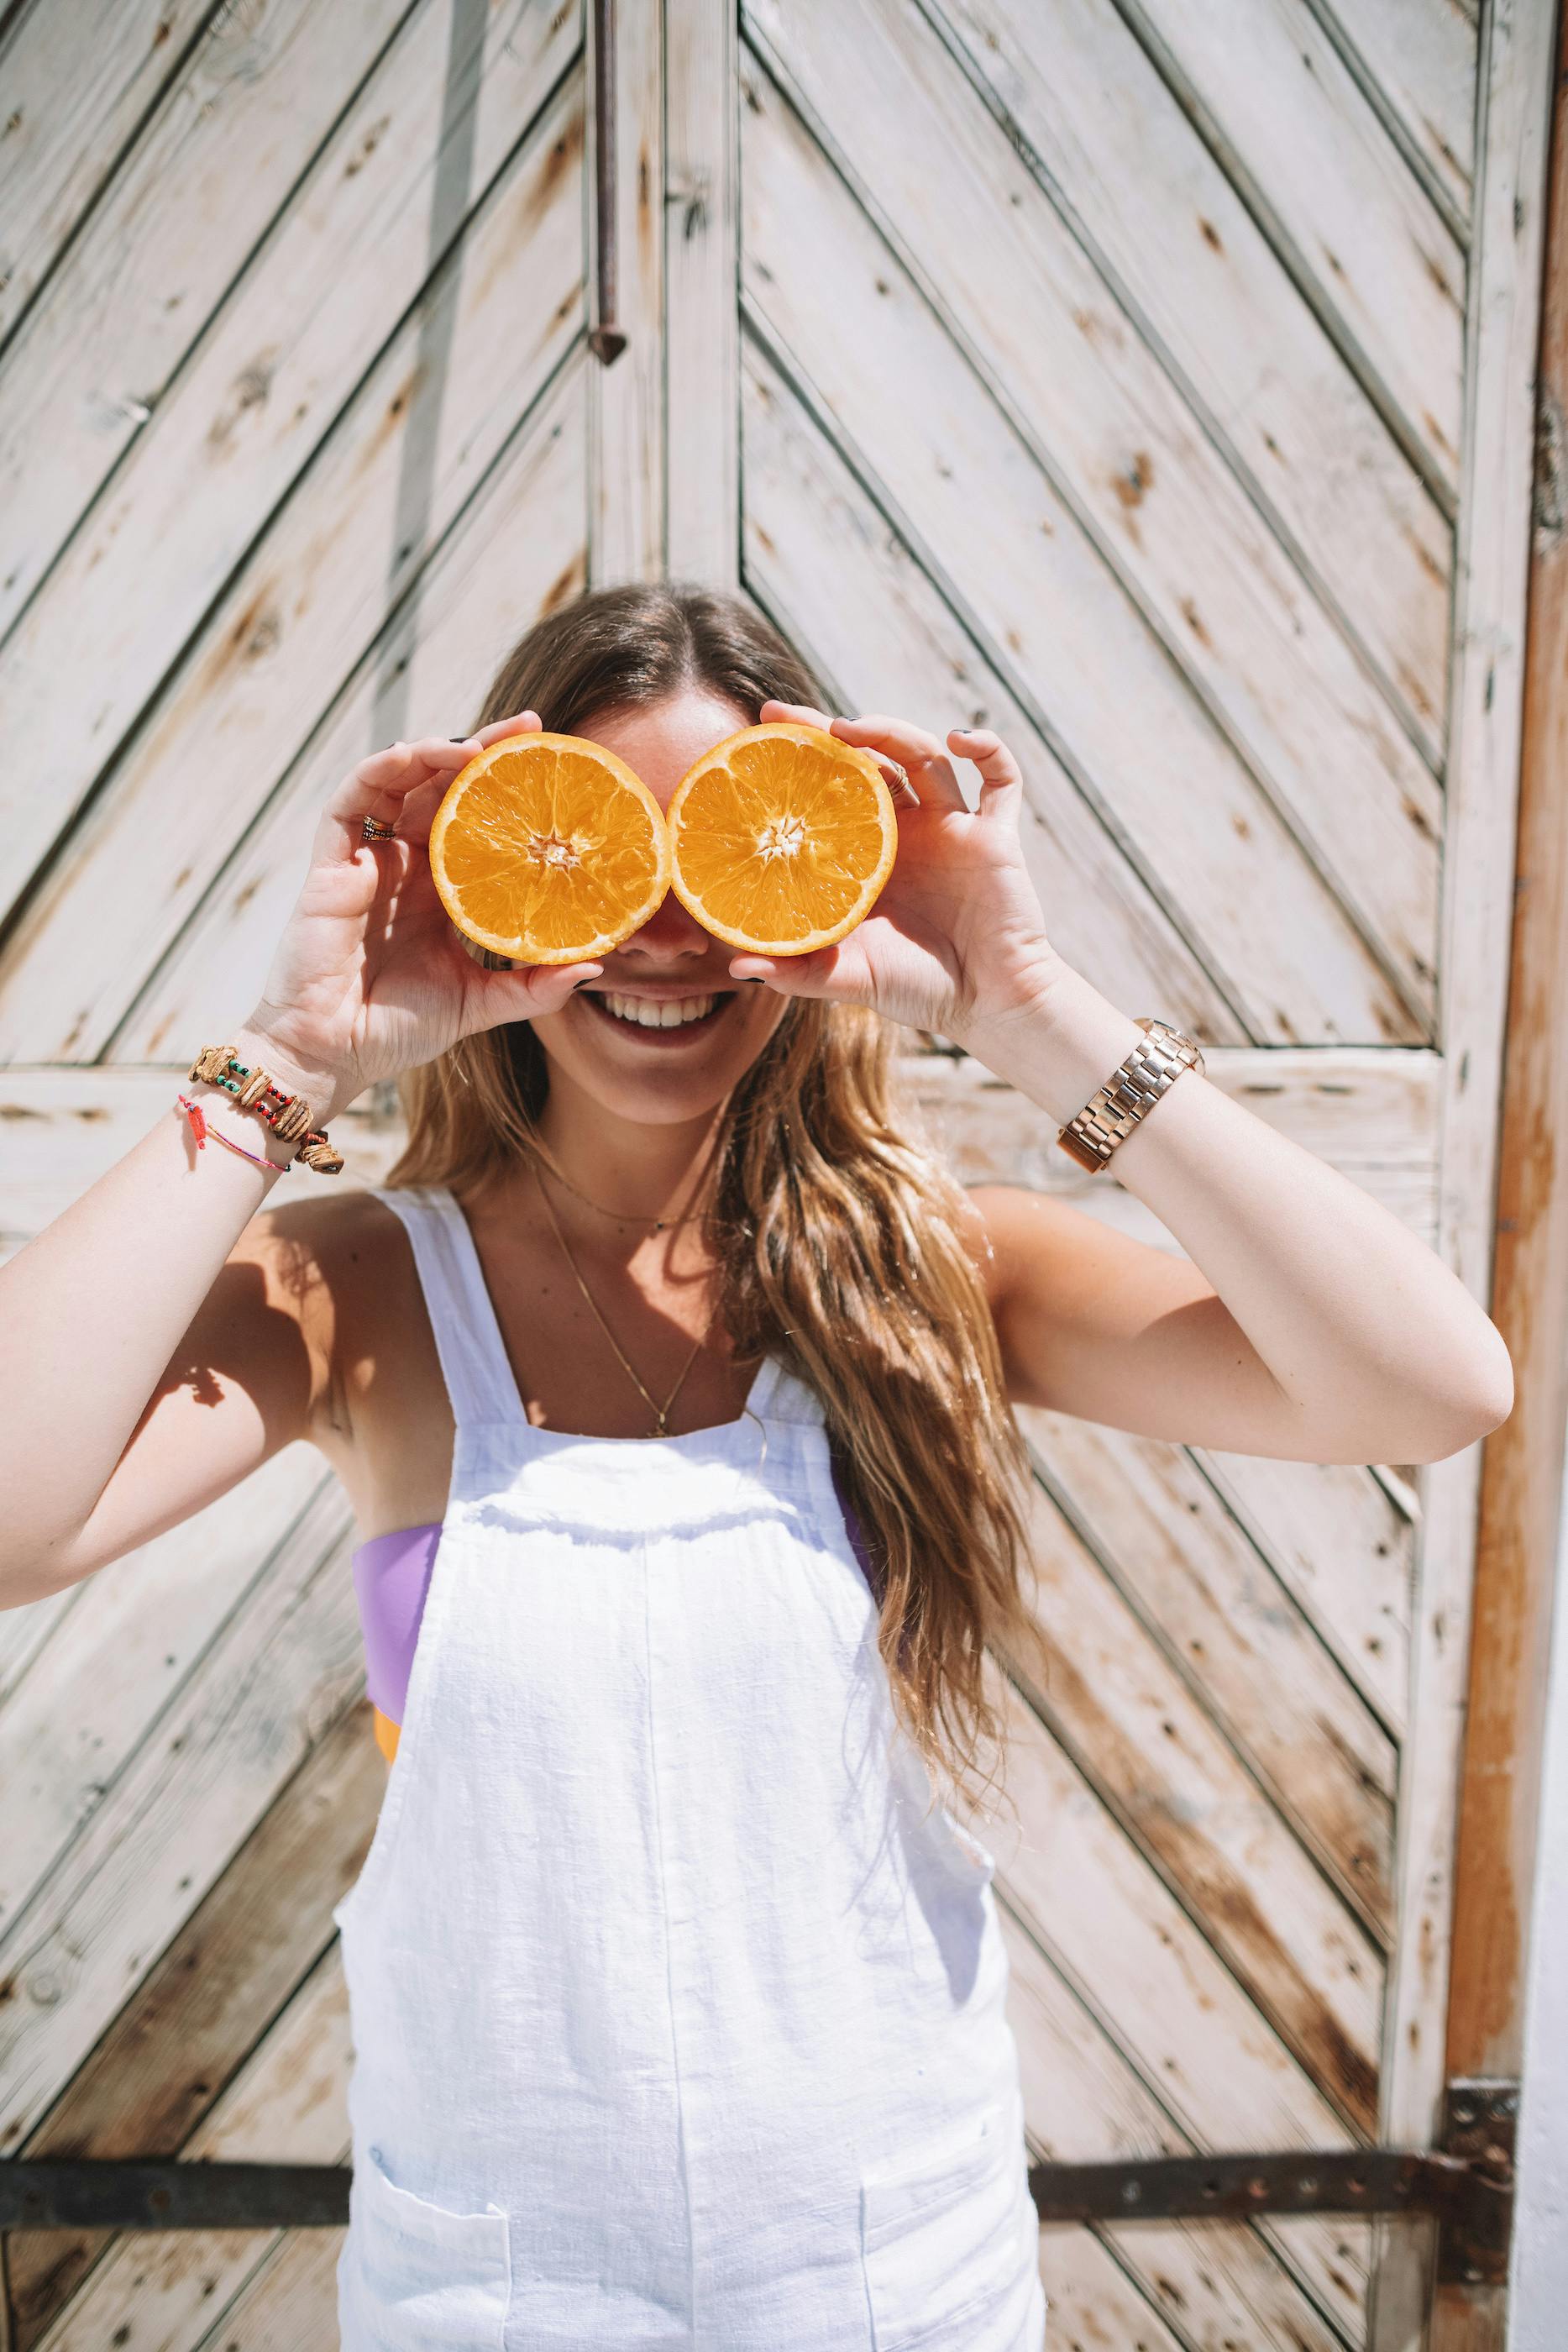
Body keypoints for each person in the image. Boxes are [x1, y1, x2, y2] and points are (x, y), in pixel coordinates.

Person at [1, 581, 1513, 2350]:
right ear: (497, 878)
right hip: (499, 2290)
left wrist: (1024, 1001)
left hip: (888, 2282)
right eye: (594, 857)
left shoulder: (942, 1267)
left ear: (828, 874)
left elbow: (1430, 1384)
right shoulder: (363, 1290)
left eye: (723, 856)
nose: (660, 937)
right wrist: (291, 1057)